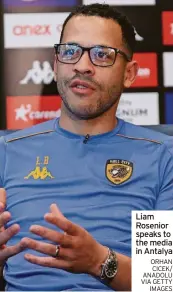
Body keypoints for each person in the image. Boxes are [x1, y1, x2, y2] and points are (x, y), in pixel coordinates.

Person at [0, 3, 173, 291]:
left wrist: (97, 261)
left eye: (102, 54)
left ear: (129, 73)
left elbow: (161, 279)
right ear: (55, 66)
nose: (82, 65)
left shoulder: (160, 155)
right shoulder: (7, 151)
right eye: (70, 51)